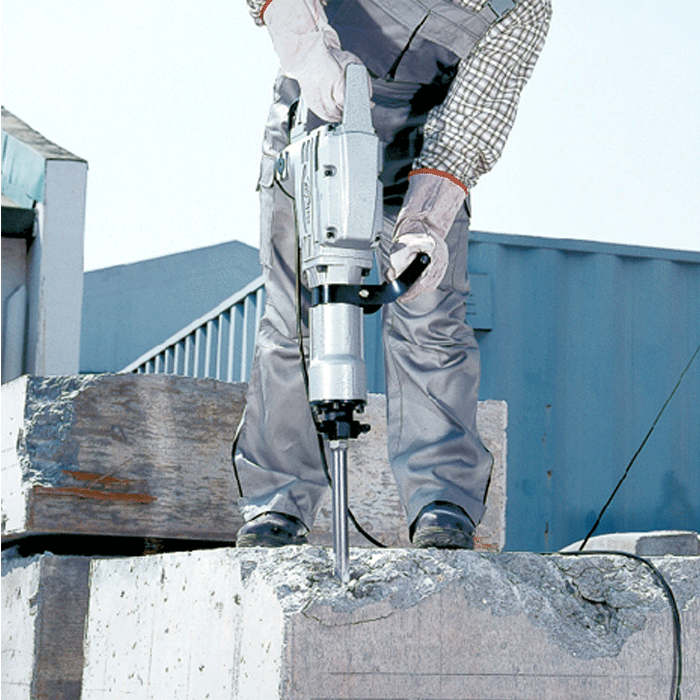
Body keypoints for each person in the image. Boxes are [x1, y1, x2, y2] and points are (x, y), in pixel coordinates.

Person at [234, 0, 552, 548]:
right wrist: (307, 50)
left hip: (422, 151)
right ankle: (277, 500)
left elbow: (469, 124)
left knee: (433, 318)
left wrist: (425, 221)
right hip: (315, 116)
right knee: (297, 320)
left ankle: (441, 499)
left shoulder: (525, 7)